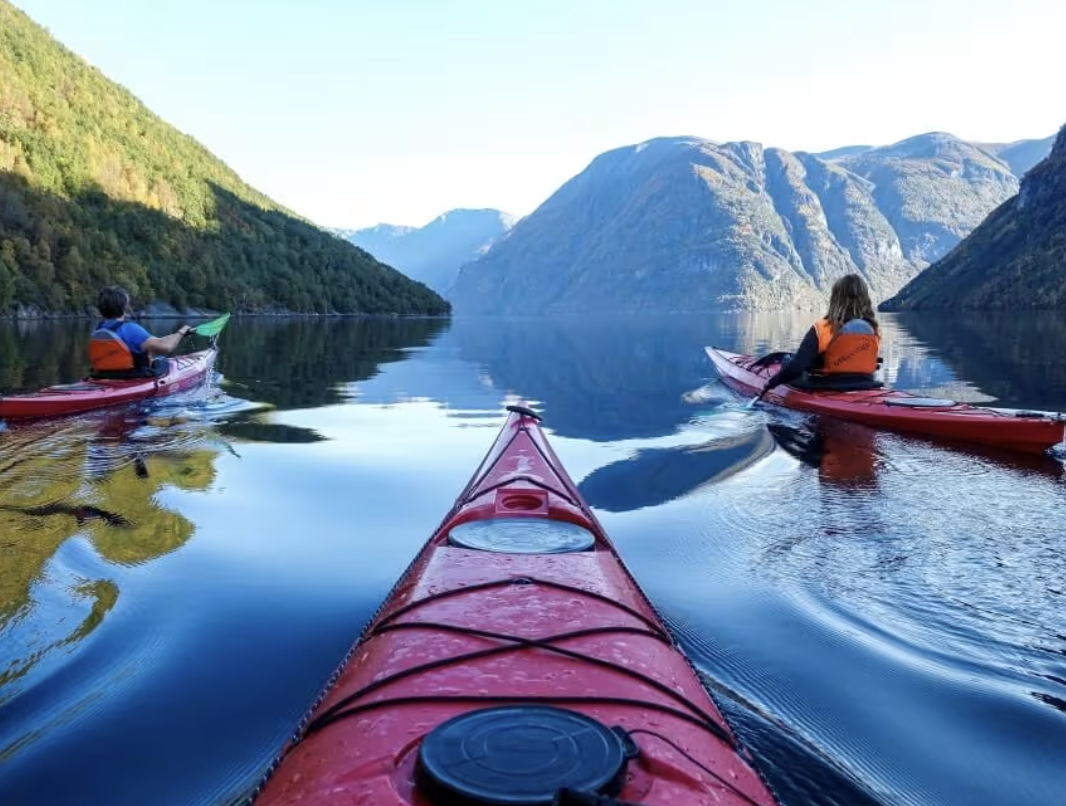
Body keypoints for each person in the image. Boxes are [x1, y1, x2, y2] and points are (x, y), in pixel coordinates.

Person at [761, 273, 882, 394]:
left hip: (828, 385)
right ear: (866, 300)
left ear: (835, 300)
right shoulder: (873, 330)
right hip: (866, 383)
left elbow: (796, 368)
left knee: (788, 361)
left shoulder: (822, 329)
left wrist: (773, 382)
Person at [88, 285, 192, 378]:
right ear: (123, 307)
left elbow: (129, 349)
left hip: (103, 376)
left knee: (150, 355)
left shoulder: (97, 330)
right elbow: (166, 347)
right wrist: (181, 332)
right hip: (132, 377)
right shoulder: (130, 329)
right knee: (163, 361)